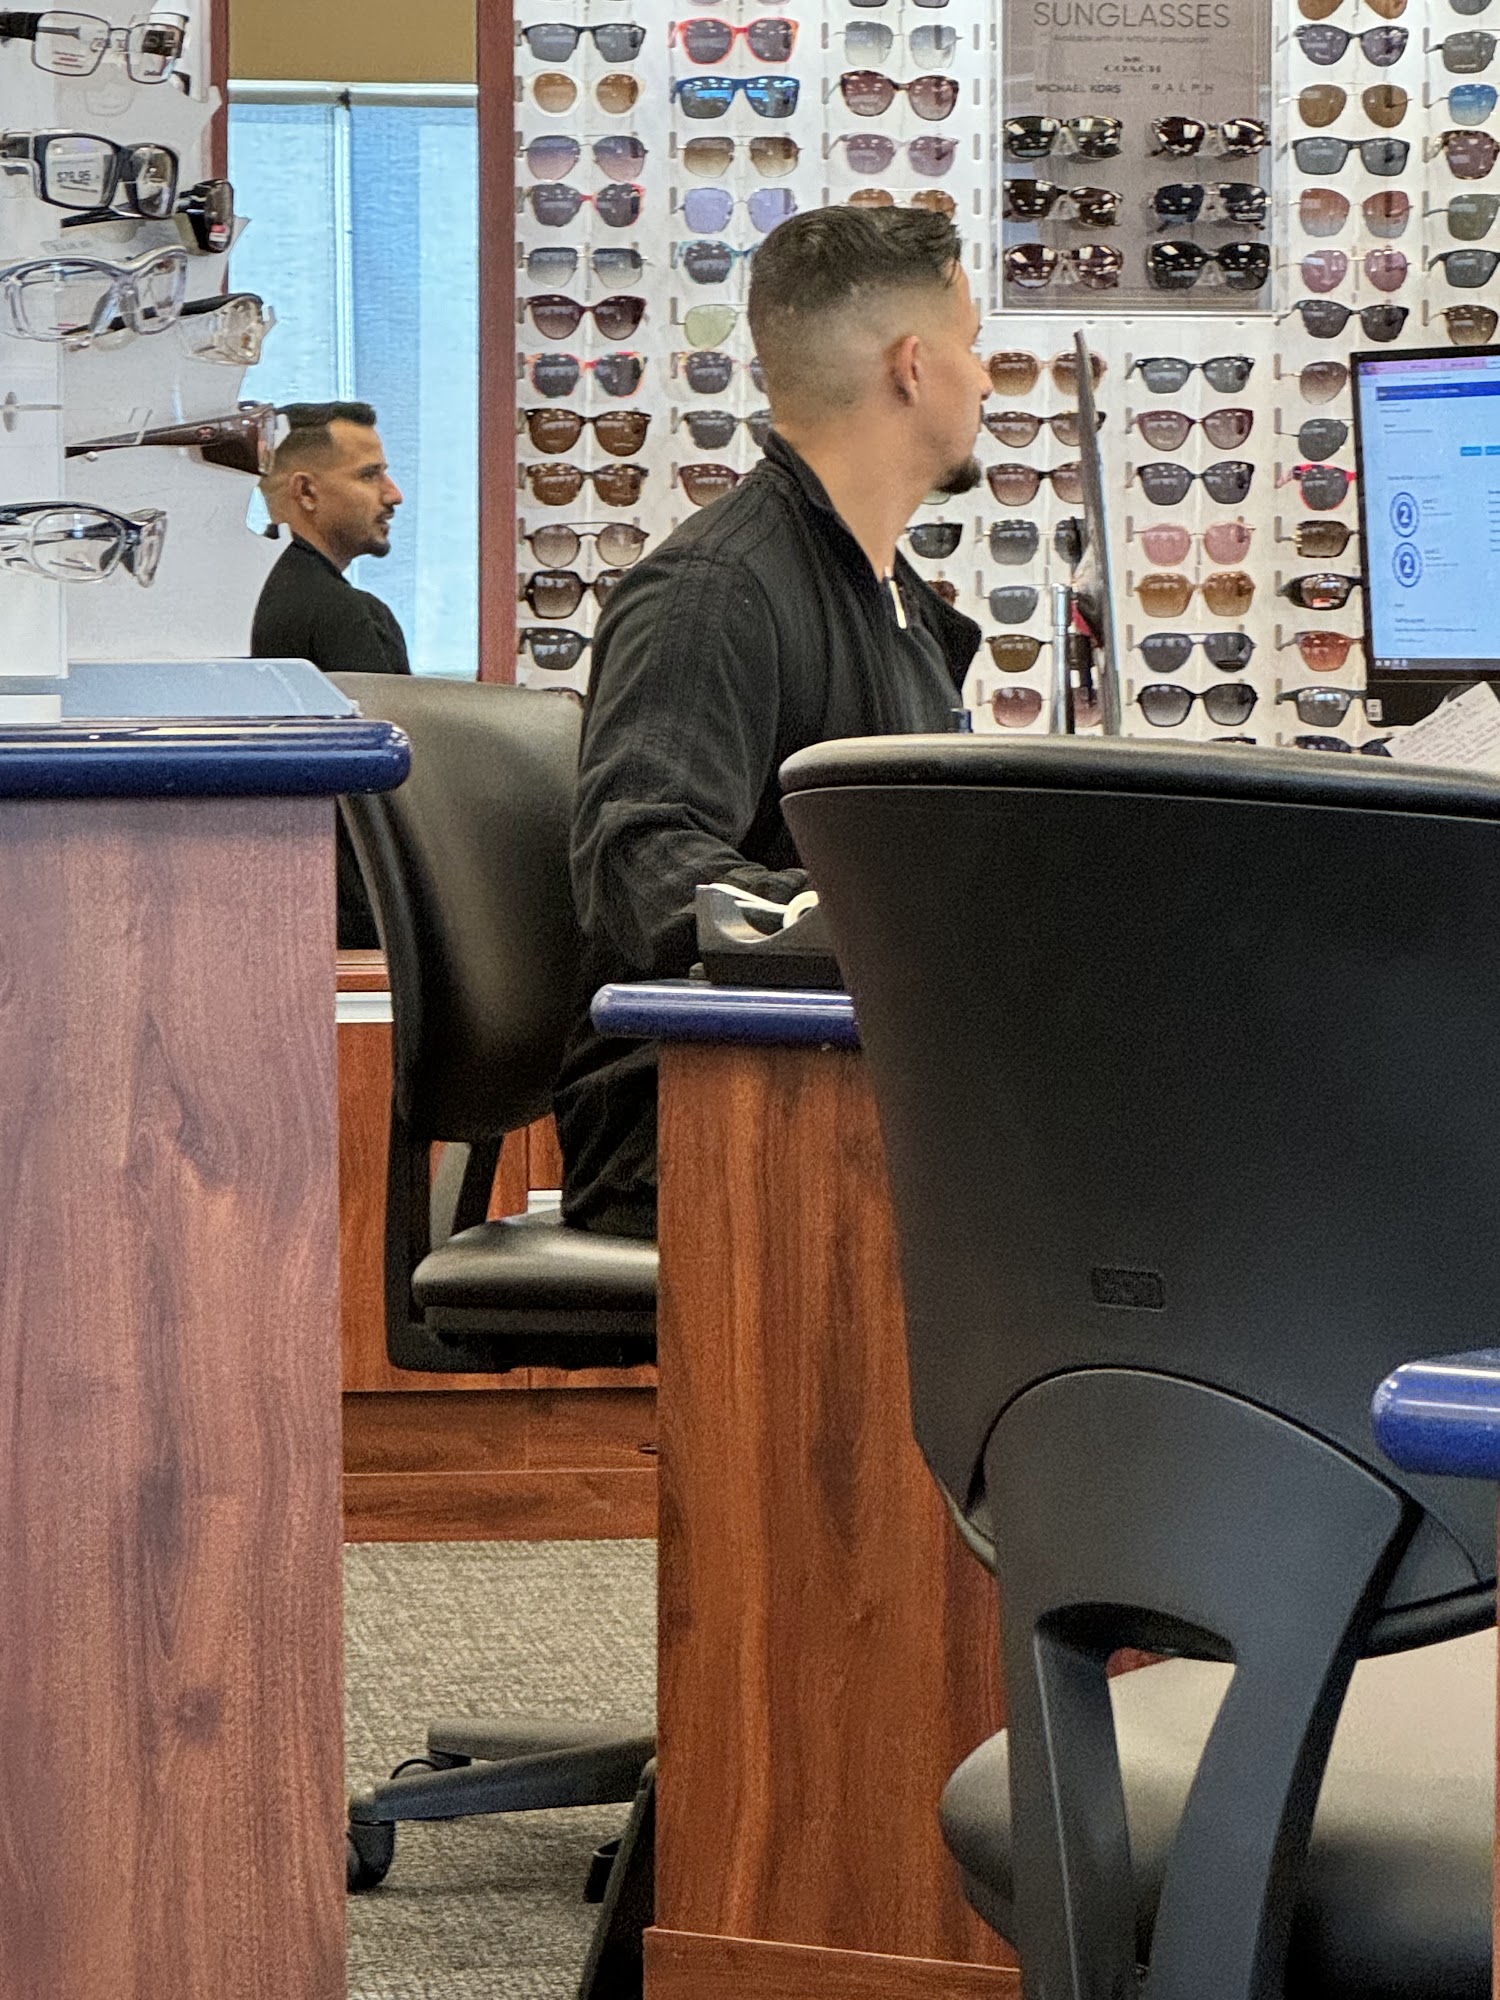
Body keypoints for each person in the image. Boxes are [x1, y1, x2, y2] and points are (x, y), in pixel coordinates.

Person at [554, 205, 990, 1239]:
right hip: (704, 1130)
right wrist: (885, 926)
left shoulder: (897, 611)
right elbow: (640, 859)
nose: (986, 381)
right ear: (912, 367)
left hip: (846, 1092)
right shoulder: (714, 594)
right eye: (974, 347)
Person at [251, 400, 408, 946]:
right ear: (306, 492)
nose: (393, 494)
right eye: (370, 474)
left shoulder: (239, 603)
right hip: (345, 926)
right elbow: (390, 804)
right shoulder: (348, 615)